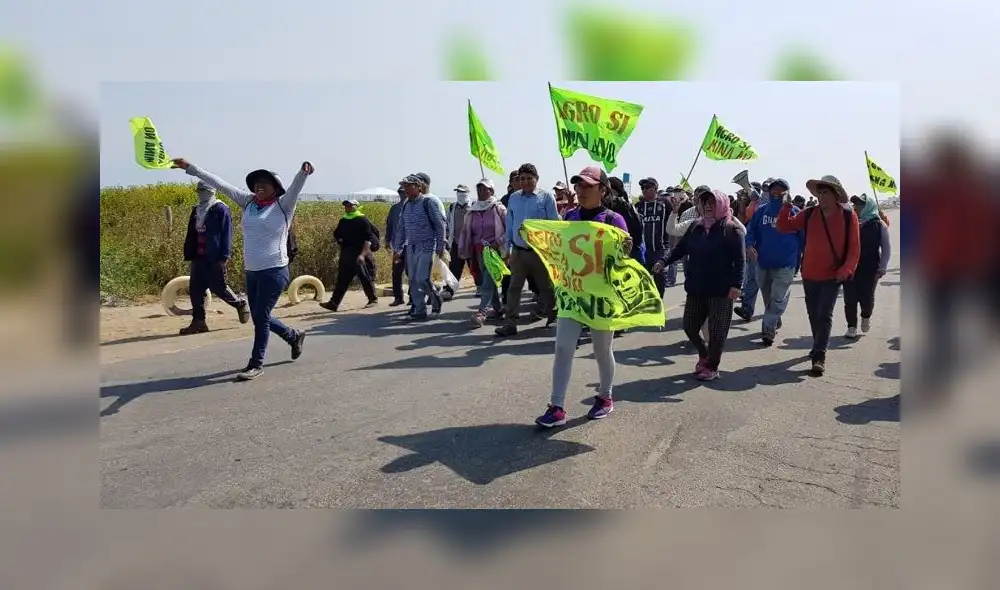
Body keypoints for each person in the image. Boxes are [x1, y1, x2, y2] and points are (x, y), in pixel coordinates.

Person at [171, 158, 313, 382]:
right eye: (256, 182)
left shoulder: (284, 205)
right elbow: (219, 184)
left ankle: (256, 364)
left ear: (275, 187)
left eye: (265, 182)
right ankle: (293, 336)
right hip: (252, 271)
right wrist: (190, 168)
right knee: (260, 316)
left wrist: (303, 172)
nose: (259, 185)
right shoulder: (248, 202)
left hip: (274, 271)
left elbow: (296, 187)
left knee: (261, 317)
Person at [535, 166, 629, 427]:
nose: (581, 190)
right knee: (563, 348)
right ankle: (556, 407)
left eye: (588, 186)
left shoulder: (613, 220)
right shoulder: (569, 217)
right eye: (578, 186)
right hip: (573, 293)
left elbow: (623, 261)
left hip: (601, 296)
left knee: (601, 349)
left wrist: (625, 249)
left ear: (602, 189)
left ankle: (605, 397)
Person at [654, 189, 745, 381]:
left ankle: (712, 367)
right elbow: (679, 249)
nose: (708, 207)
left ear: (721, 204)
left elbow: (740, 261)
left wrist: (736, 285)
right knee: (689, 326)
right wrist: (663, 261)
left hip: (721, 291)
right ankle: (704, 354)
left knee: (717, 332)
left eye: (712, 203)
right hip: (696, 288)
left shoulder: (731, 229)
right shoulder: (695, 226)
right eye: (705, 203)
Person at [776, 174, 860, 375]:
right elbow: (784, 226)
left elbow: (854, 250)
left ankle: (819, 356)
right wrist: (786, 206)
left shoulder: (849, 216)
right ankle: (817, 344)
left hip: (833, 275)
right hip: (809, 274)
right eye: (819, 193)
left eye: (825, 193)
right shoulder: (809, 213)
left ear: (836, 195)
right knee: (814, 313)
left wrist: (846, 270)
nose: (820, 197)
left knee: (824, 314)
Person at [496, 163, 560, 337]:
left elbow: (553, 224)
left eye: (528, 178)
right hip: (518, 251)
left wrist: (552, 251)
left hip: (539, 252)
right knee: (514, 287)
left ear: (536, 179)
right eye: (521, 179)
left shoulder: (546, 197)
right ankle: (510, 323)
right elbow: (510, 224)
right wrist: (507, 249)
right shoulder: (514, 198)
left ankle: (553, 315)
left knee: (546, 287)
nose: (524, 182)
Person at [179, 181, 250, 334]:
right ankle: (199, 322)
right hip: (198, 256)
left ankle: (239, 304)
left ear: (212, 192)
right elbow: (192, 233)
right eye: (199, 191)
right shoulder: (197, 210)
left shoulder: (220, 208)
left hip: (214, 257)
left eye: (204, 190)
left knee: (219, 287)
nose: (201, 193)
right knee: (196, 290)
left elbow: (226, 234)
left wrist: (224, 256)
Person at [744, 177, 804, 346]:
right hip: (763, 262)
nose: (776, 194)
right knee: (768, 296)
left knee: (777, 297)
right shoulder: (761, 211)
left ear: (788, 193)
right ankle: (774, 318)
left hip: (786, 264)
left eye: (781, 191)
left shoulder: (795, 212)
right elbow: (751, 231)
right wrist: (749, 246)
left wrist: (802, 259)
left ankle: (767, 328)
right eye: (773, 191)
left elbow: (803, 238)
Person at [392, 174, 447, 321]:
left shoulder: (428, 203)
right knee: (413, 280)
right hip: (411, 247)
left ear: (418, 187)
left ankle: (436, 300)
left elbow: (440, 225)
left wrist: (440, 245)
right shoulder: (406, 205)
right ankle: (419, 308)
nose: (406, 189)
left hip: (427, 244)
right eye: (405, 186)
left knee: (422, 278)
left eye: (409, 186)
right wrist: (397, 249)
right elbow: (401, 229)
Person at [458, 179, 507, 327]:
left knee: (487, 281)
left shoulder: (499, 208)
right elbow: (467, 232)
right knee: (489, 281)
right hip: (479, 252)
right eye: (479, 189)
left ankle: (482, 312)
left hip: (495, 251)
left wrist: (497, 242)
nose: (481, 192)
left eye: (484, 189)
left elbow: (509, 229)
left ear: (491, 191)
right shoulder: (473, 210)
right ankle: (498, 309)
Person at [843, 194, 892, 339]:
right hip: (850, 267)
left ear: (868, 206)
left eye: (860, 204)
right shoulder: (849, 223)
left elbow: (886, 248)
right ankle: (851, 326)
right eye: (855, 204)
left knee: (866, 297)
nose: (856, 207)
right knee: (850, 299)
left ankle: (866, 316)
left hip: (870, 268)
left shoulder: (879, 224)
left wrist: (882, 267)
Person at [320, 199, 379, 312]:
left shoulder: (362, 220)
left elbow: (368, 239)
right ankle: (334, 303)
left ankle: (373, 299)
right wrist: (340, 240)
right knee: (342, 279)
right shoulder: (344, 220)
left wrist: (362, 254)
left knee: (365, 276)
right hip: (346, 254)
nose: (347, 207)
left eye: (350, 205)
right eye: (346, 205)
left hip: (360, 253)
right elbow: (336, 233)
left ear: (356, 206)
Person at [734, 179, 768, 321]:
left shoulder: (770, 205)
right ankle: (747, 309)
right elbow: (744, 219)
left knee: (768, 286)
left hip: (769, 250)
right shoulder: (753, 204)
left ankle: (773, 316)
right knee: (751, 279)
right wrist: (743, 202)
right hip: (752, 247)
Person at [635, 177, 670, 298]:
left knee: (659, 275)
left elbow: (673, 222)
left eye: (647, 187)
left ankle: (659, 300)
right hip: (643, 249)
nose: (644, 190)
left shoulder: (665, 204)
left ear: (655, 188)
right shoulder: (638, 206)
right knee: (640, 277)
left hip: (660, 248)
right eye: (642, 188)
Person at [443, 184, 473, 300]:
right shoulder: (452, 207)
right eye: (458, 192)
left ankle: (480, 287)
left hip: (470, 243)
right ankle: (450, 290)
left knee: (474, 267)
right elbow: (447, 223)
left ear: (467, 193)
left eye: (462, 192)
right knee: (454, 267)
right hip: (456, 243)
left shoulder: (473, 206)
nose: (460, 194)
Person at [385, 186, 408, 306]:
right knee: (396, 273)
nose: (402, 194)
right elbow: (389, 225)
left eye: (404, 192)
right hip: (397, 247)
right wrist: (387, 240)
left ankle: (414, 298)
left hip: (410, 246)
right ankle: (398, 298)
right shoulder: (394, 208)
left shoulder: (412, 207)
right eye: (400, 192)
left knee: (412, 274)